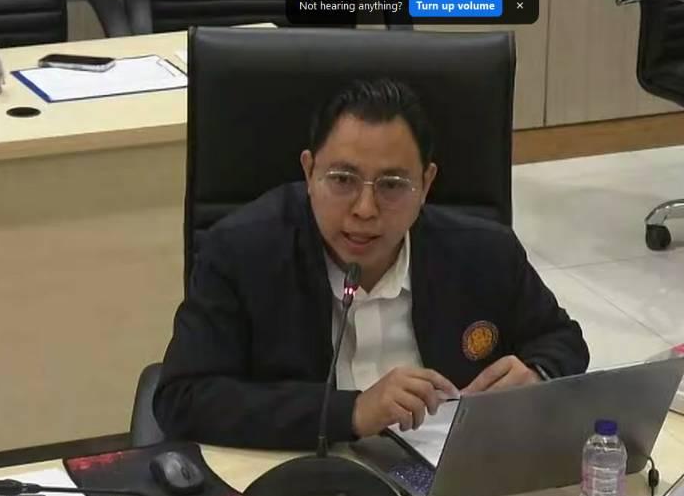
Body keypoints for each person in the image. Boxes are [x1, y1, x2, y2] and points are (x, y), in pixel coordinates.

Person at [155, 79, 589, 450]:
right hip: (301, 476)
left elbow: (561, 339)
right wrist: (351, 411)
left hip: (447, 483)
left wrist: (538, 374)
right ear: (309, 172)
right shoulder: (241, 251)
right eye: (342, 180)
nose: (365, 209)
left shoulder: (483, 251)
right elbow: (184, 397)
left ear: (426, 184)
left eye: (392, 185)